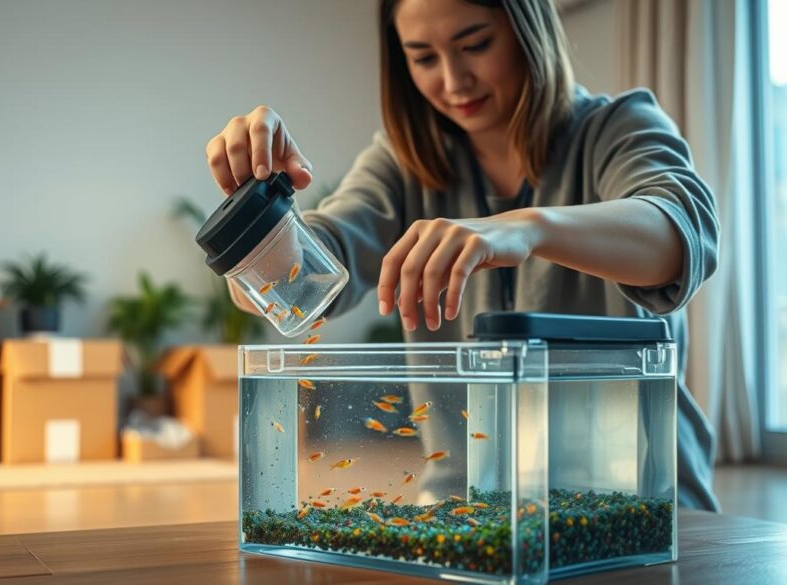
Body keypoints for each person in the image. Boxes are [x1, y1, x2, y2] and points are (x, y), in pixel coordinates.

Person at [205, 0, 720, 511]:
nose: (454, 80)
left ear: (527, 31)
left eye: (475, 45)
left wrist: (525, 228)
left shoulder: (618, 127)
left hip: (643, 510)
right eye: (424, 58)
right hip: (466, 519)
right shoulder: (401, 165)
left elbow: (679, 235)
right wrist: (257, 209)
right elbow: (299, 285)